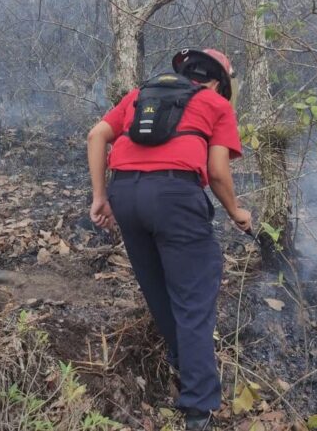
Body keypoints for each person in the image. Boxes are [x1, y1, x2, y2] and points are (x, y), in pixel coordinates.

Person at [87, 48, 252, 431]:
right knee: (194, 296)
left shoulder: (138, 95)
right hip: (176, 197)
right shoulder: (214, 103)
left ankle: (182, 359)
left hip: (124, 195)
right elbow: (217, 171)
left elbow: (97, 135)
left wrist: (100, 197)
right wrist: (236, 211)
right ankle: (198, 407)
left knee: (157, 287)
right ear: (218, 82)